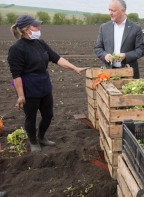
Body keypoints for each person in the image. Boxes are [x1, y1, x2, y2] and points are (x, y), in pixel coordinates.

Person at [7, 14, 89, 153]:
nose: (39, 28)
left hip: (44, 85)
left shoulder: (40, 43)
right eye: (35, 26)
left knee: (48, 114)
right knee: (31, 117)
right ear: (26, 29)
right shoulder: (17, 49)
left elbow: (56, 58)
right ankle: (33, 141)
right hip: (29, 87)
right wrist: (21, 95)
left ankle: (41, 137)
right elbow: (16, 76)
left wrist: (75, 68)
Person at [94, 0, 144, 79]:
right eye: (109, 10)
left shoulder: (135, 28)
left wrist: (125, 55)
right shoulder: (104, 27)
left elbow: (140, 50)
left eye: (113, 11)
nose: (110, 13)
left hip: (129, 72)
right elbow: (98, 48)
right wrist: (105, 55)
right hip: (109, 73)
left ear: (123, 11)